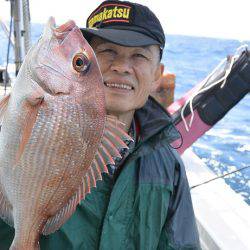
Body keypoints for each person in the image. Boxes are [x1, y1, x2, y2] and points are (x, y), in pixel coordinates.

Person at [0, 1, 201, 249]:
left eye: (139, 55)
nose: (121, 67)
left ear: (157, 75)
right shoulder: (24, 115)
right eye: (107, 51)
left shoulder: (169, 167)